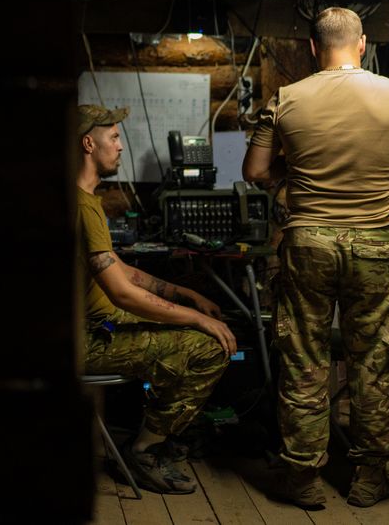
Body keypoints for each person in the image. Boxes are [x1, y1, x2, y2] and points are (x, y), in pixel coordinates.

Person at [242, 6, 389, 509]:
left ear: (313, 47)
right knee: (372, 360)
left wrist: (295, 174)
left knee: (304, 358)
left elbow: (255, 170)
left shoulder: (285, 98)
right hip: (374, 241)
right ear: (362, 43)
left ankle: (304, 477)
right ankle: (369, 477)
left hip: (308, 242)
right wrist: (381, 167)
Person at [77, 104, 235, 495]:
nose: (120, 146)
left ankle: (157, 431)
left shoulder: (85, 200)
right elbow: (122, 292)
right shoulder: (81, 206)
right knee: (209, 347)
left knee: (193, 329)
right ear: (87, 143)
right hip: (88, 339)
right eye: (113, 137)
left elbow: (120, 270)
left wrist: (183, 293)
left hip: (102, 326)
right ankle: (144, 449)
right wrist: (196, 318)